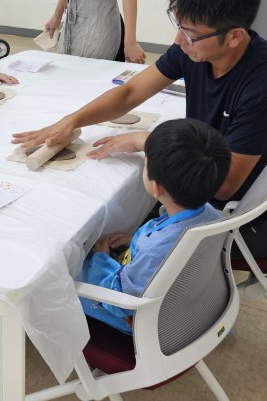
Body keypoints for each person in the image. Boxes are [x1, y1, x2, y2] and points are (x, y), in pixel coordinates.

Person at [15, 0, 267, 259]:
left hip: (253, 219)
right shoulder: (193, 50)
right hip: (203, 197)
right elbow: (130, 93)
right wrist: (72, 120)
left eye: (190, 34)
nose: (179, 41)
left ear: (234, 36)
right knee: (111, 216)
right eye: (177, 26)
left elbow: (223, 186)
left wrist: (148, 141)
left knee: (104, 242)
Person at [80, 119, 229, 333]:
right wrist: (136, 239)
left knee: (66, 278)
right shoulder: (211, 214)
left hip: (148, 323)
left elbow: (120, 302)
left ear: (156, 187)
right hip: (192, 303)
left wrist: (100, 258)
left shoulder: (154, 251)